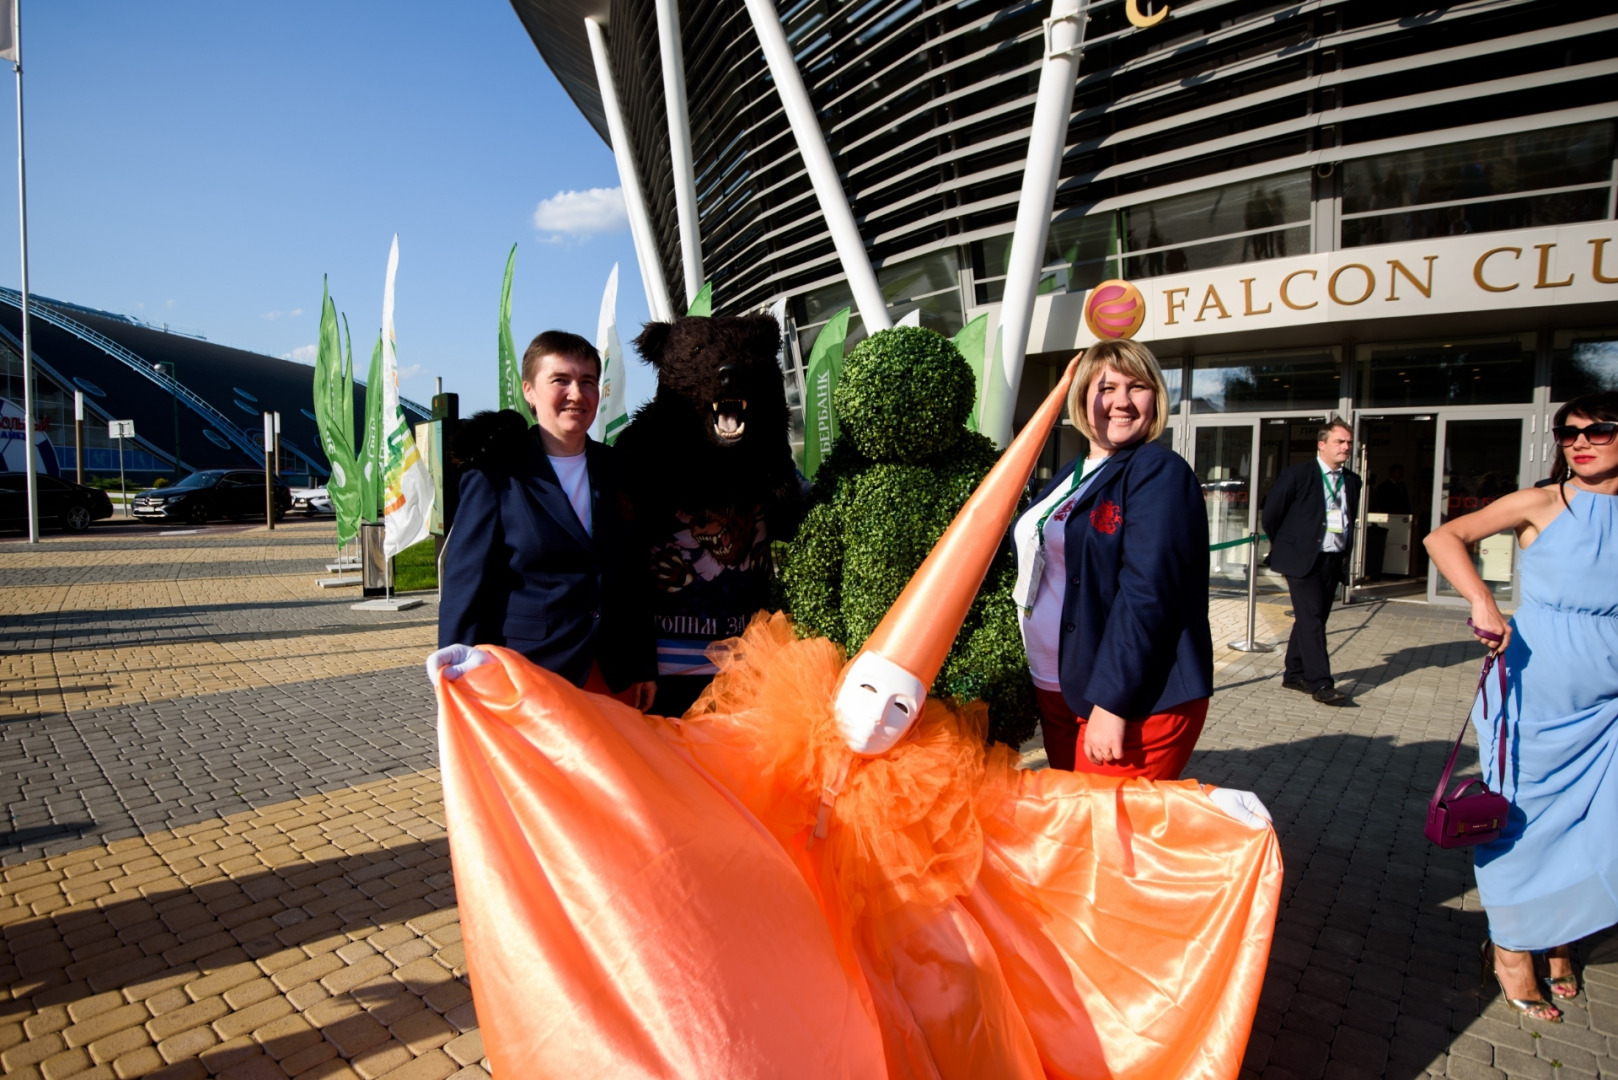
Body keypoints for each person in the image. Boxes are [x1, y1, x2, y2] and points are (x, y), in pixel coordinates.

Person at [1423, 390, 1618, 1024]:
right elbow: (1443, 535)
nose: (1580, 442)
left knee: (1595, 826)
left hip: (1609, 699)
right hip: (1534, 688)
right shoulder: (1542, 502)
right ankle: (1511, 948)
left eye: (1599, 431)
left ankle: (1559, 935)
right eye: (1569, 433)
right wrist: (1480, 598)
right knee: (1523, 820)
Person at [1011, 339, 1213, 778]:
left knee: (1108, 839)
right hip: (1058, 684)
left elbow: (1148, 594)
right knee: (1077, 829)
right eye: (1106, 388)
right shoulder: (1074, 472)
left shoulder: (1158, 472)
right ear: (1083, 397)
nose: (1121, 401)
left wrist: (1112, 702)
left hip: (1131, 699)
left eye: (1136, 387)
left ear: (1155, 397)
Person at [437, 330, 656, 710]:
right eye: (560, 380)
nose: (576, 393)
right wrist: (457, 675)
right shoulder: (496, 473)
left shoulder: (620, 469)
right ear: (530, 391)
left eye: (588, 381)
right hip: (528, 673)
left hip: (612, 672)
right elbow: (466, 582)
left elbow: (633, 577)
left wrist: (645, 665)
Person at [1262, 418, 1361, 706]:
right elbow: (1271, 515)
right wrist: (1289, 545)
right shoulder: (1298, 475)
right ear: (1322, 444)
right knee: (1313, 621)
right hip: (1301, 561)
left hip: (1333, 560)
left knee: (1313, 620)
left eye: (1348, 442)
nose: (1346, 447)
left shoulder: (1352, 481)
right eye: (1339, 442)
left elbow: (1347, 520)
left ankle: (1294, 674)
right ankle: (1321, 683)